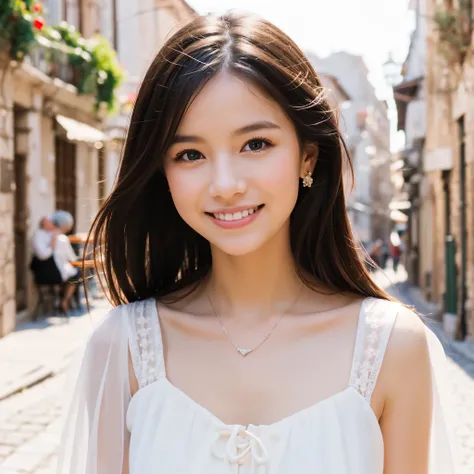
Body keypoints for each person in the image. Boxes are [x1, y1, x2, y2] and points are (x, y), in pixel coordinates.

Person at [56, 12, 456, 474]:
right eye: (190, 154)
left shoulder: (391, 347)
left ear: (307, 157)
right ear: (162, 173)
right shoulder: (121, 347)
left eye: (255, 145)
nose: (225, 185)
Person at [50, 210, 80, 313]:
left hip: (49, 272)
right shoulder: (63, 239)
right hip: (61, 272)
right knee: (76, 275)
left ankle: (60, 300)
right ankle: (65, 299)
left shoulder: (49, 236)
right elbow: (72, 258)